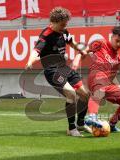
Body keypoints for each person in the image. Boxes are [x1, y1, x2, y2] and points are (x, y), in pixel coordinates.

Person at [26, 7, 91, 137]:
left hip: (64, 68)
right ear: (54, 22)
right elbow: (36, 51)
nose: (64, 27)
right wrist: (29, 61)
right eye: (62, 24)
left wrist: (81, 49)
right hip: (52, 72)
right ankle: (71, 129)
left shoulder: (64, 32)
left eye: (66, 24)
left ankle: (80, 124)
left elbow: (72, 43)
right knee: (71, 94)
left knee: (85, 94)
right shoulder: (46, 35)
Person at [72, 26, 120, 132]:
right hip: (96, 77)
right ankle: (92, 116)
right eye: (117, 41)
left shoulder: (117, 58)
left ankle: (111, 124)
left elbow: (113, 77)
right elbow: (84, 51)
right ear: (112, 37)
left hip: (108, 84)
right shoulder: (101, 43)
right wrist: (76, 59)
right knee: (100, 85)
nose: (119, 44)